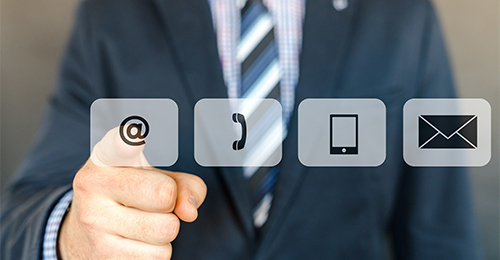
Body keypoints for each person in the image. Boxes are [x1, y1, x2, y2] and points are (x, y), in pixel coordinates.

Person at [1, 0, 482, 259]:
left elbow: (442, 232)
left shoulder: (404, 13)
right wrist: (74, 237)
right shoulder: (114, 14)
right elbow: (23, 216)